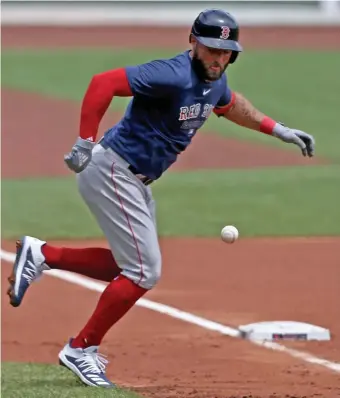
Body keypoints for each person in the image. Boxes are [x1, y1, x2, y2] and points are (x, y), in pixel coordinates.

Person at [7, 9, 315, 388]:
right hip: (113, 171)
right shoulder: (170, 74)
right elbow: (102, 83)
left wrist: (278, 130)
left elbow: (229, 103)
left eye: (226, 51)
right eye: (211, 49)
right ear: (193, 43)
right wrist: (84, 140)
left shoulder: (214, 80)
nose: (218, 58)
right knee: (143, 270)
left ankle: (42, 255)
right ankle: (80, 349)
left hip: (133, 180)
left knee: (130, 266)